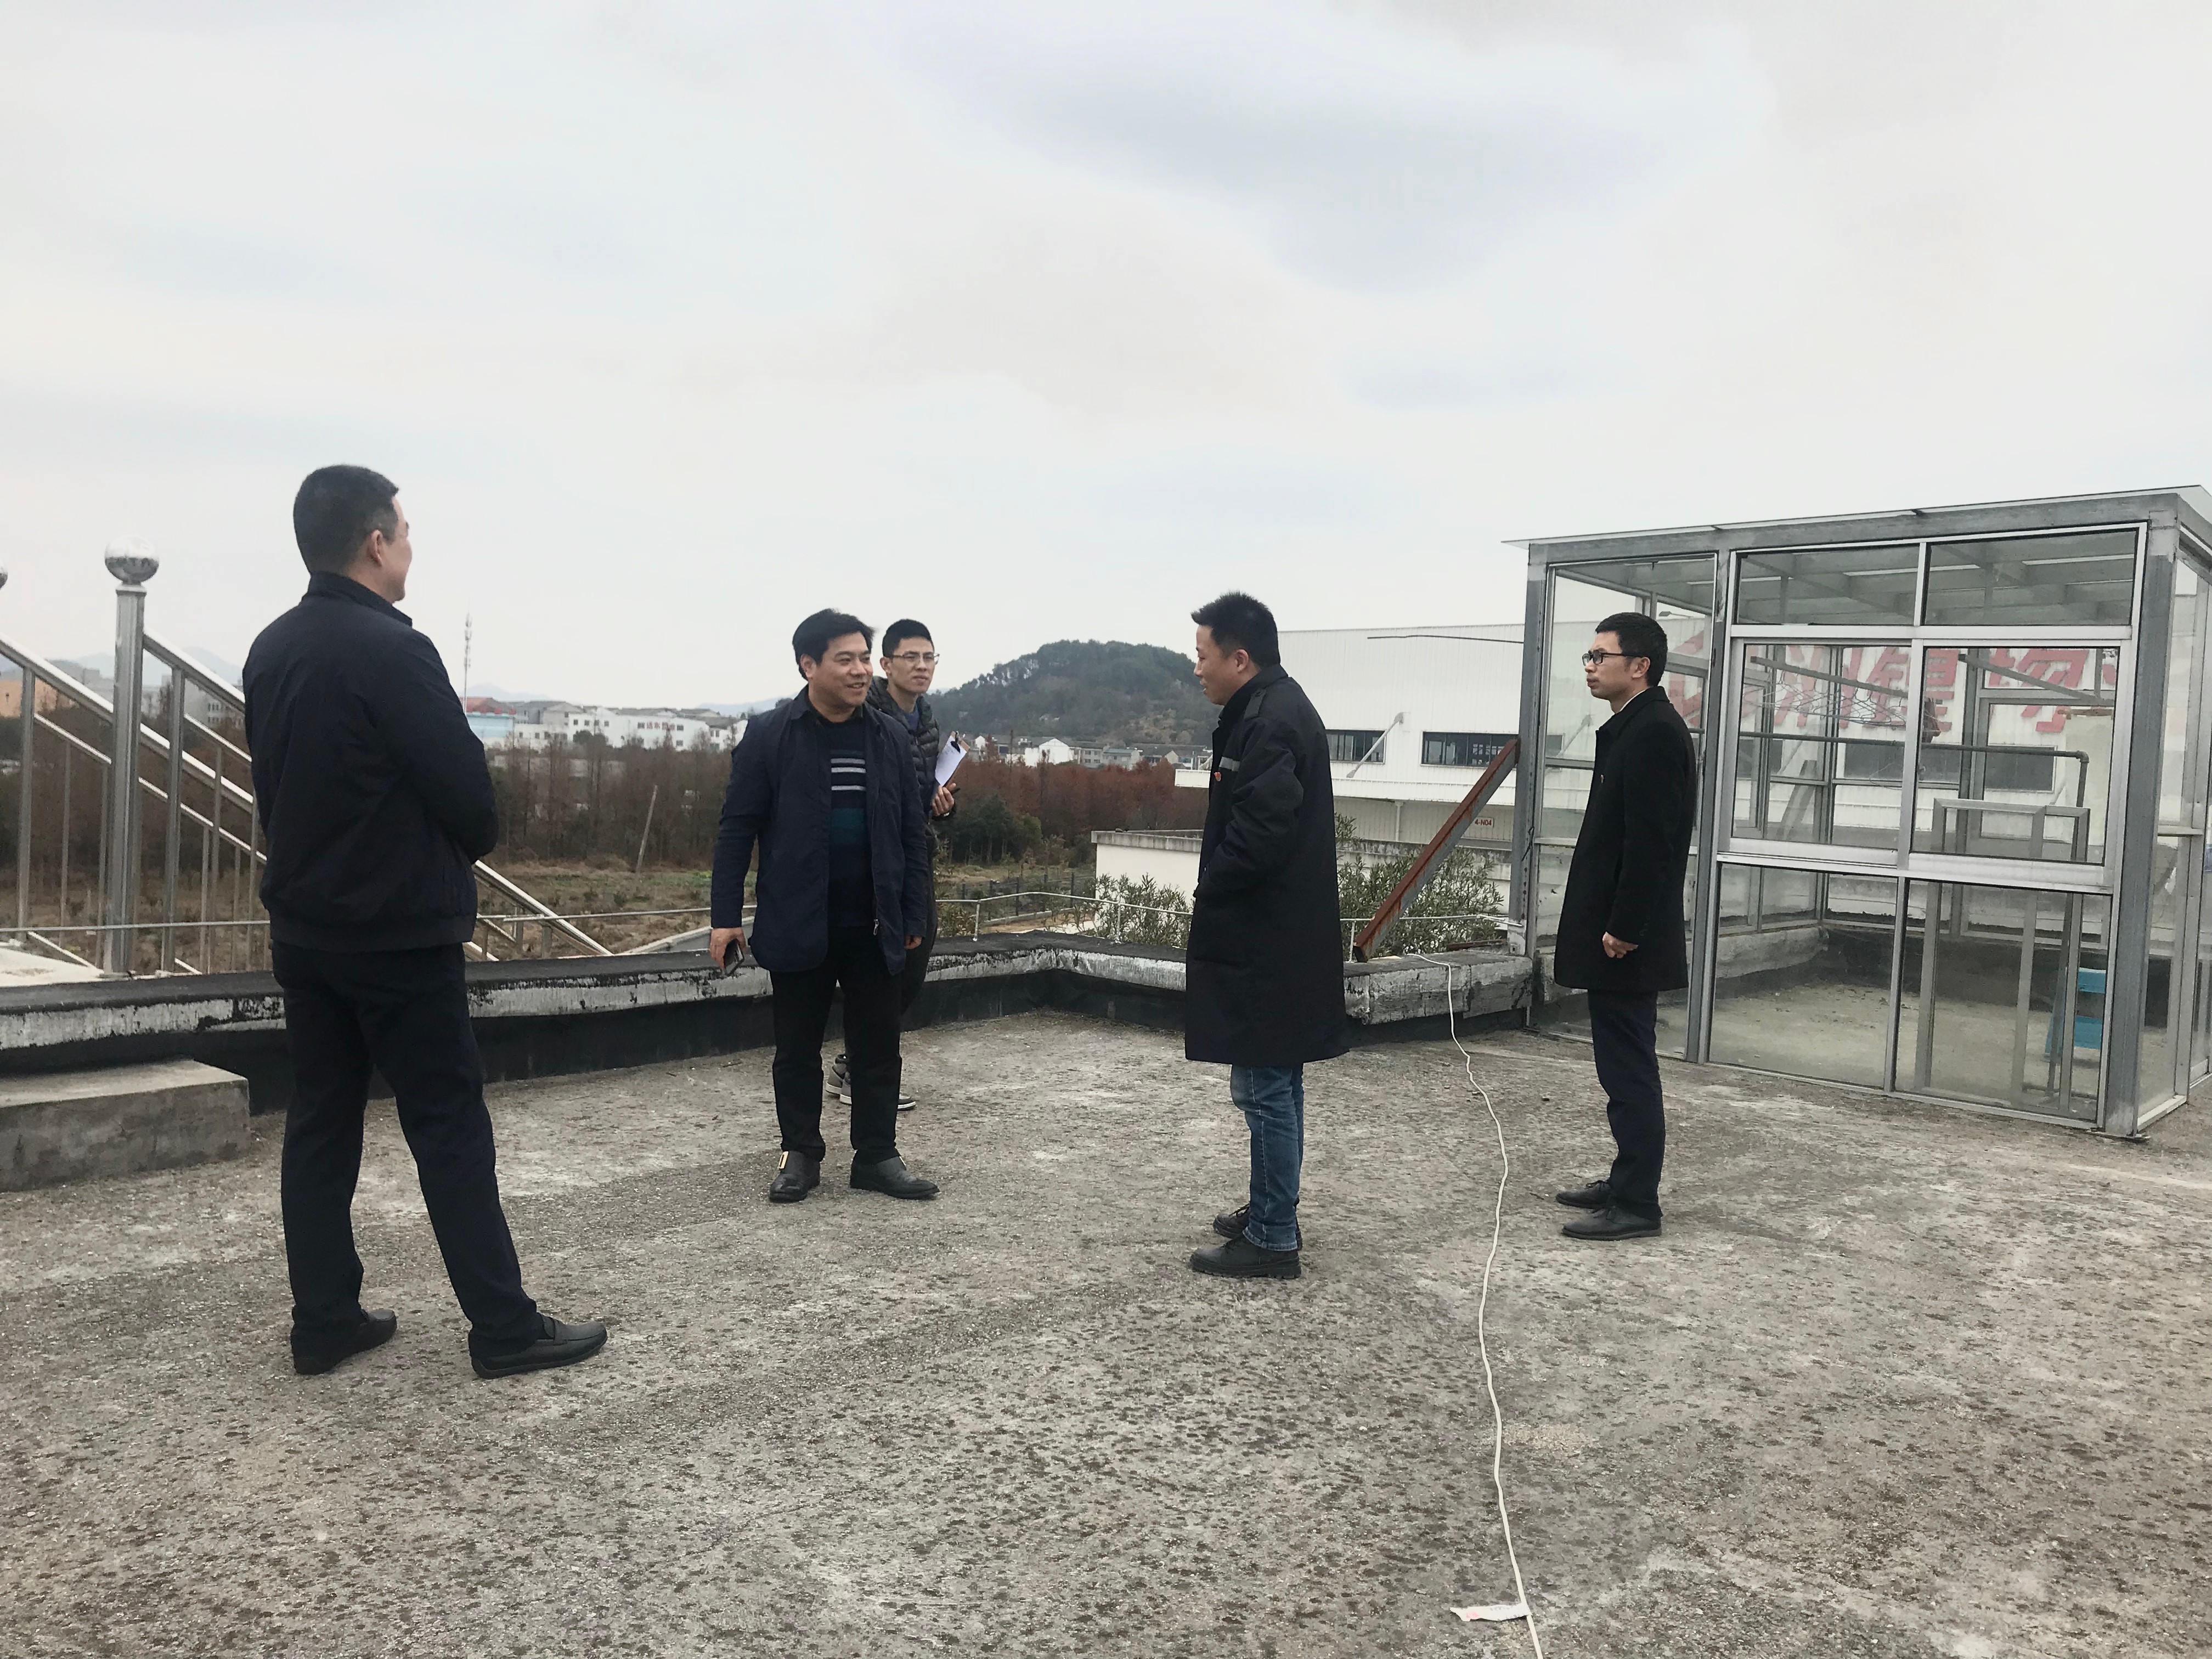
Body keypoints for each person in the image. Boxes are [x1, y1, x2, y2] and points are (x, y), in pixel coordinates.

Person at [244, 465, 607, 1379]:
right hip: (398, 933)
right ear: (376, 543)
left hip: (306, 931)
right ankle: (504, 1327)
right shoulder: (395, 651)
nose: (409, 547)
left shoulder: (271, 648)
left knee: (320, 1121)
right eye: (404, 532)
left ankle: (324, 1319)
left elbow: (272, 791)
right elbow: (469, 800)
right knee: (447, 1125)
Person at [709, 610, 937, 1204]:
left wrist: (914, 912)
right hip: (798, 917)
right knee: (797, 1048)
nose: (861, 671)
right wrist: (724, 918)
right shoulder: (770, 735)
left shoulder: (889, 737)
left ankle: (877, 1156)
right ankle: (801, 1155)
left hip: (875, 920)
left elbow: (911, 833)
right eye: (846, 659)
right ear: (808, 665)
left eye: (864, 658)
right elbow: (736, 830)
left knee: (878, 1046)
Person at [1183, 591, 1348, 1280]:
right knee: (1277, 1082)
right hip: (1279, 936)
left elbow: (1261, 833)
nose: (1197, 669)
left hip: (1267, 941)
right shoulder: (1269, 709)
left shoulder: (1271, 722)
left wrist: (1211, 887)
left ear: (1240, 658)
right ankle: (1272, 1208)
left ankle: (1274, 1236)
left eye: (1203, 656)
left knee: (1264, 1088)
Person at [1550, 610, 1697, 1242]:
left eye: (1600, 656)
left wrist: (1626, 926)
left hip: (1627, 940)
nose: (1590, 667)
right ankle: (1625, 1179)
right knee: (1619, 1066)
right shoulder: (1634, 727)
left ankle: (1637, 1203)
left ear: (1639, 666)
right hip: (1618, 933)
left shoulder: (1655, 733)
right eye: (1588, 656)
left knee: (1630, 1069)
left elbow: (1651, 844)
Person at [828, 618, 957, 1111]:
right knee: (879, 966)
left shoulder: (926, 722)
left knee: (914, 961)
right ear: (886, 664)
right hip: (872, 859)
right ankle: (864, 1073)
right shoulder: (867, 714)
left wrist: (942, 805)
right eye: (911, 657)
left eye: (929, 658)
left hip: (915, 854)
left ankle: (855, 1061)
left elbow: (918, 795)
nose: (922, 666)